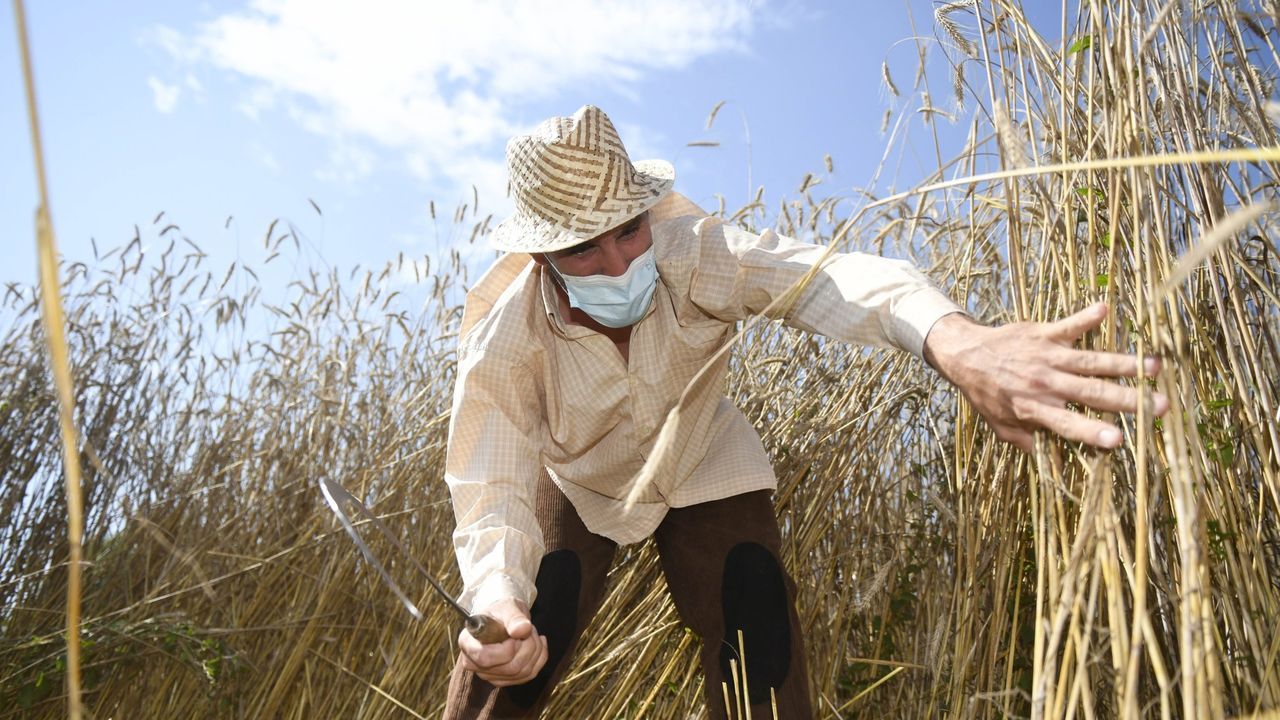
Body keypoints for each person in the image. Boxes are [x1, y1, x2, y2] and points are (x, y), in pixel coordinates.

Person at [441, 105, 1167, 719]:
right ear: (541, 259)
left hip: (700, 460)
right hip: (581, 482)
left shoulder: (694, 253)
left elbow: (831, 281)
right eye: (584, 250)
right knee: (507, 650)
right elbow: (492, 492)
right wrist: (502, 594)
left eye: (629, 231)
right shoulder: (505, 343)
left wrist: (957, 342)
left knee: (760, 634)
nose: (622, 263)